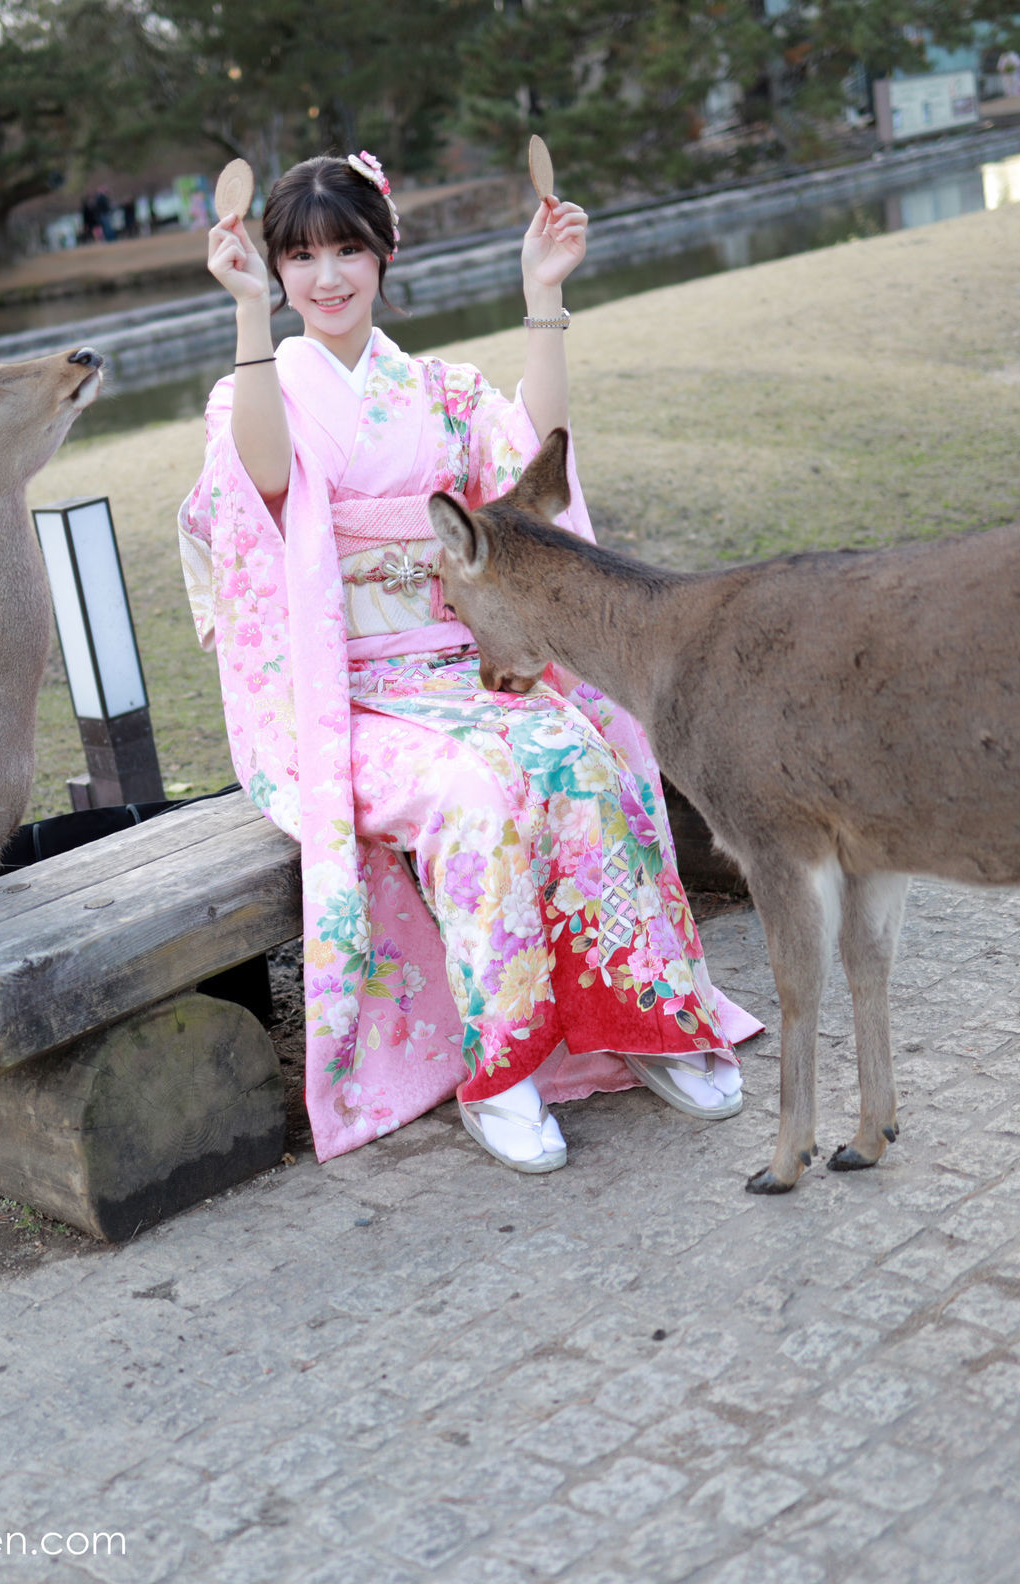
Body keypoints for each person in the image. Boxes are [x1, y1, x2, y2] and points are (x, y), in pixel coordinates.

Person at [180, 152, 762, 1172]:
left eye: (347, 249)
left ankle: (643, 1020)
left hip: (455, 671)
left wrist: (544, 297)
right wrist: (243, 319)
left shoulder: (439, 393)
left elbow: (535, 466)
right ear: (274, 269)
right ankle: (504, 1070)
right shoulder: (254, 395)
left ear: (384, 254)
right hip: (345, 697)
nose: (326, 278)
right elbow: (265, 484)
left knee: (576, 753)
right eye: (302, 256)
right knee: (473, 795)